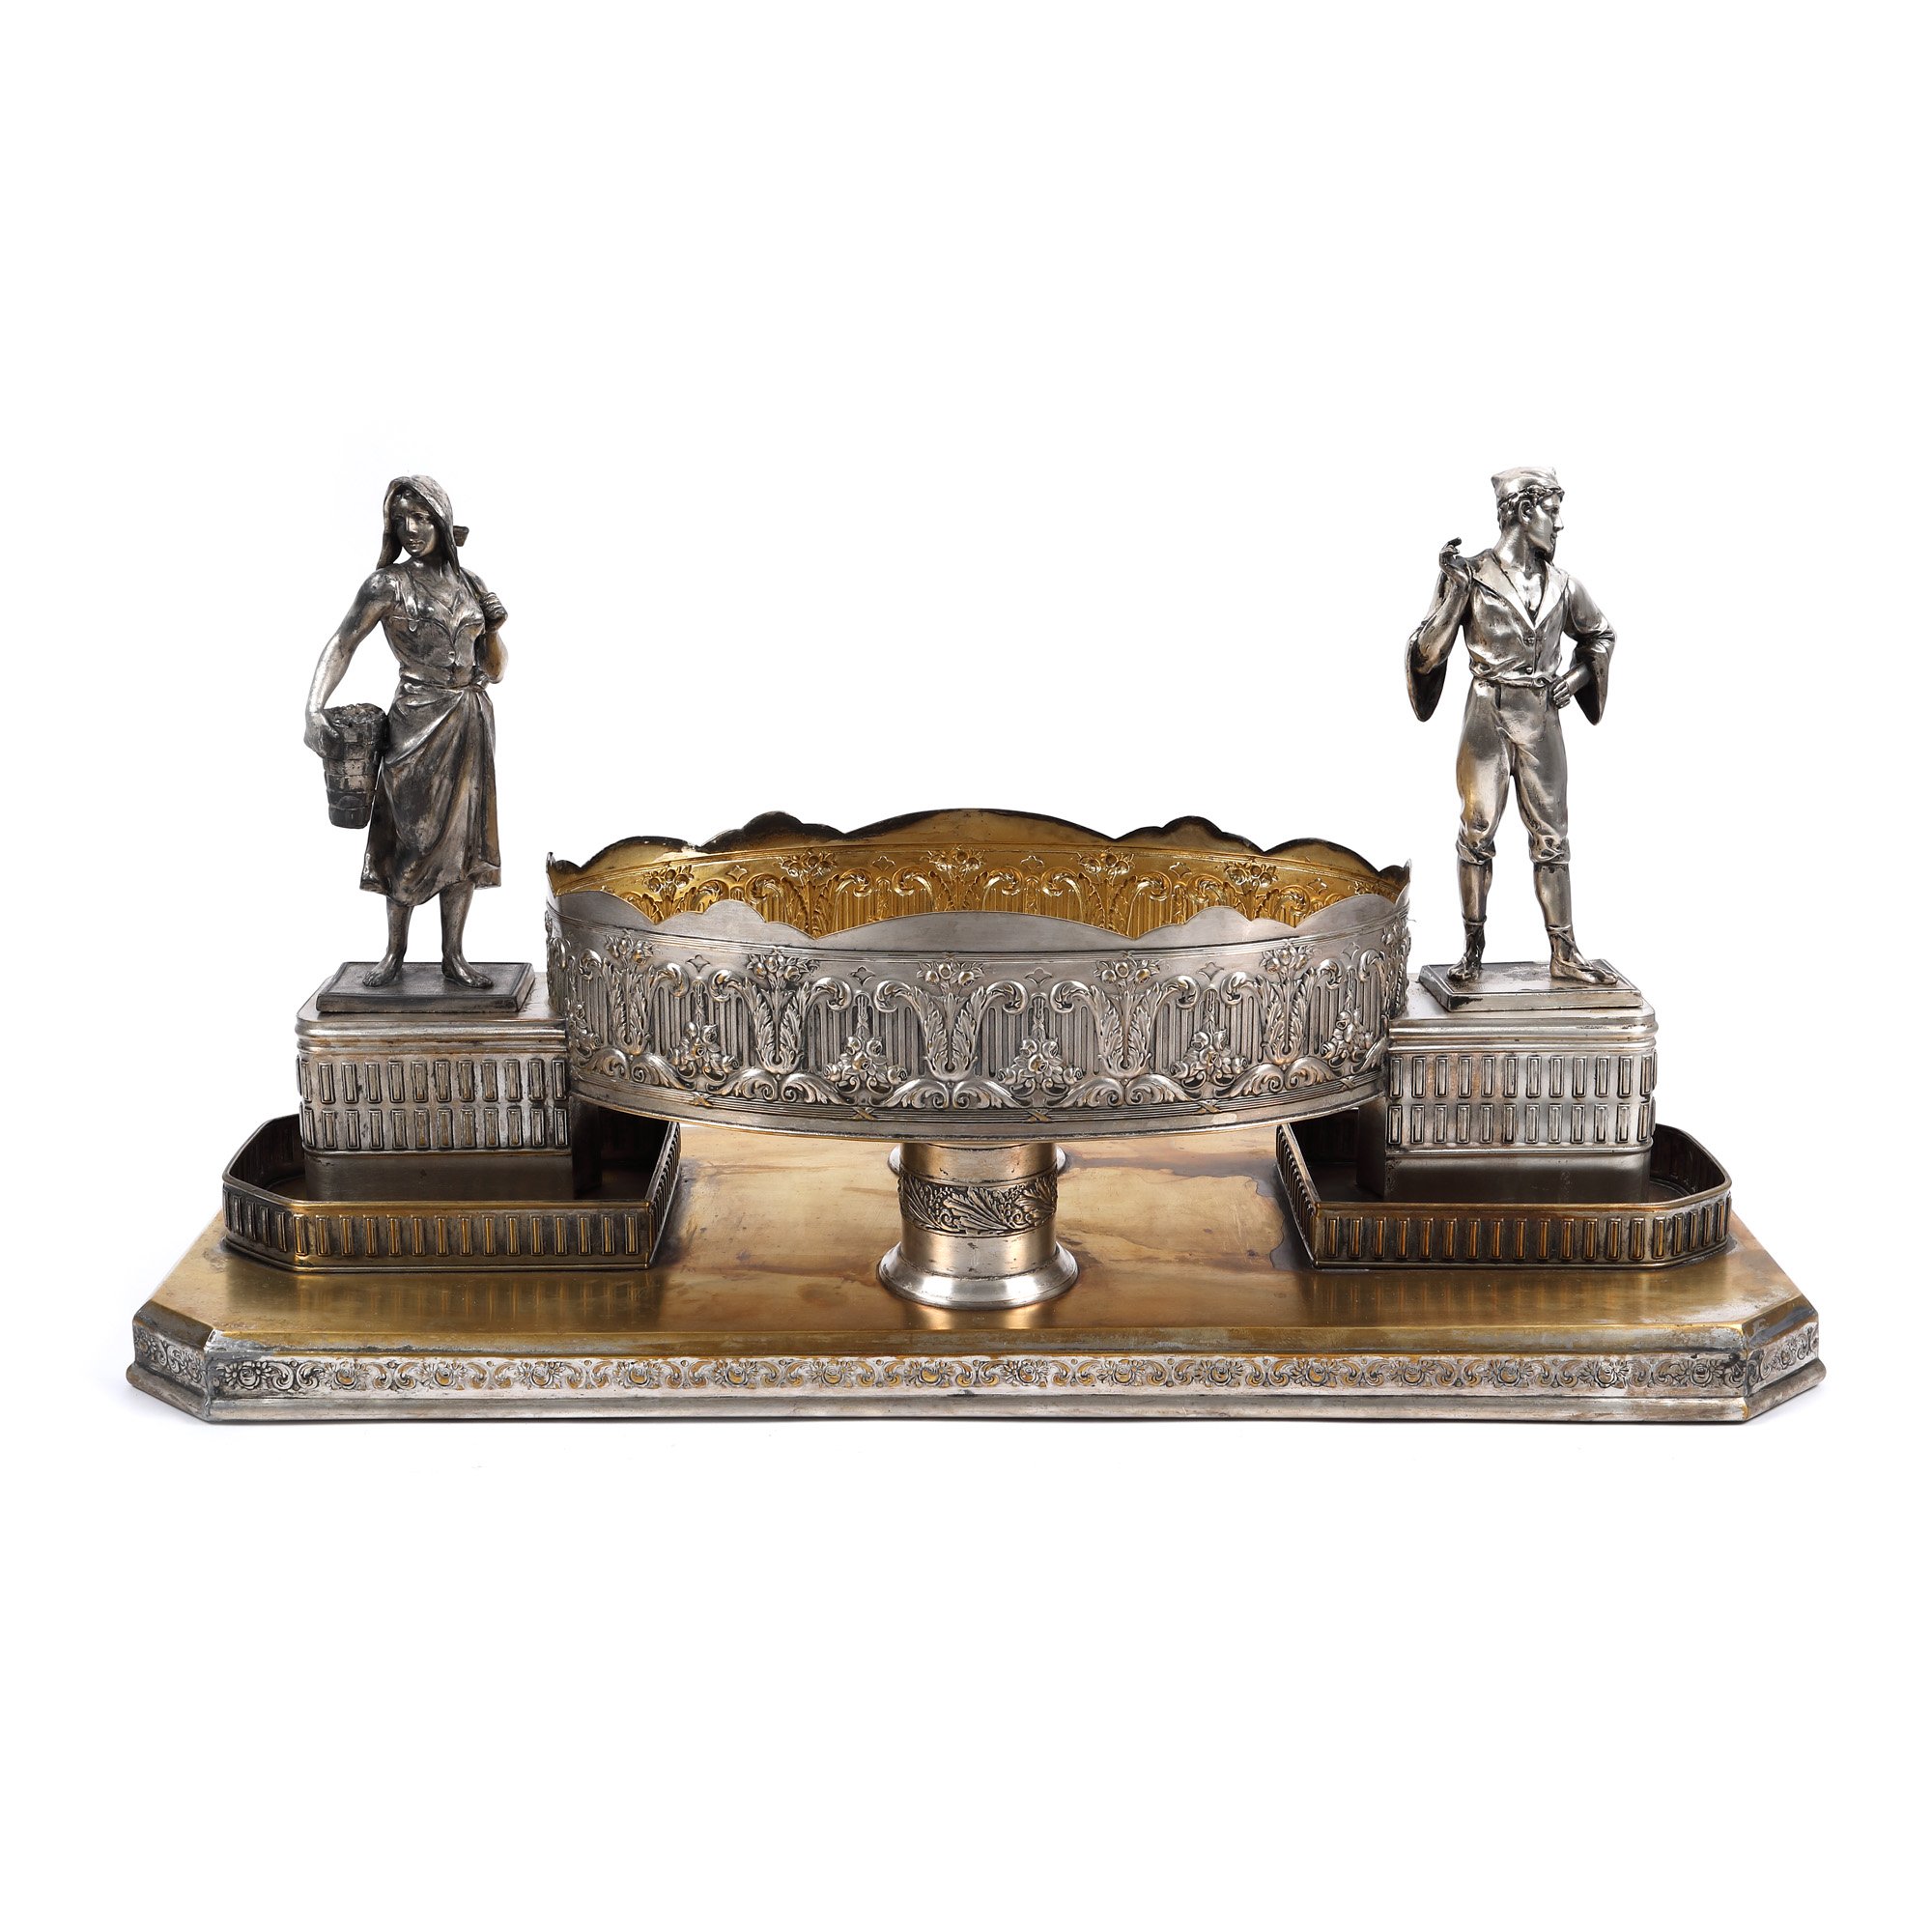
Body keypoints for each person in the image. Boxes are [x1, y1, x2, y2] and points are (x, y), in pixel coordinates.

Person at [1405, 466, 1615, 987]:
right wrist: (1455, 594)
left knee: (1553, 837)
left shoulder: (1564, 585)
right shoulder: (1471, 575)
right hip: (1487, 715)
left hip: (1542, 718)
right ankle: (1472, 950)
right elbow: (1427, 655)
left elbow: (1601, 635)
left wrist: (1576, 677)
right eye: (1552, 511)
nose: (1559, 524)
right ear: (1524, 511)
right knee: (1476, 833)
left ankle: (1564, 952)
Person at [304, 476, 507, 988]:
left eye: (420, 517)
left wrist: (494, 629)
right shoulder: (387, 585)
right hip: (416, 723)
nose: (411, 529)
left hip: (469, 720)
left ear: (441, 519)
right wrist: (313, 707)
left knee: (462, 844)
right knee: (409, 838)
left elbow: (495, 670)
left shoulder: (470, 584)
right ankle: (394, 952)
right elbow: (343, 642)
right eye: (400, 520)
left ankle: (453, 956)